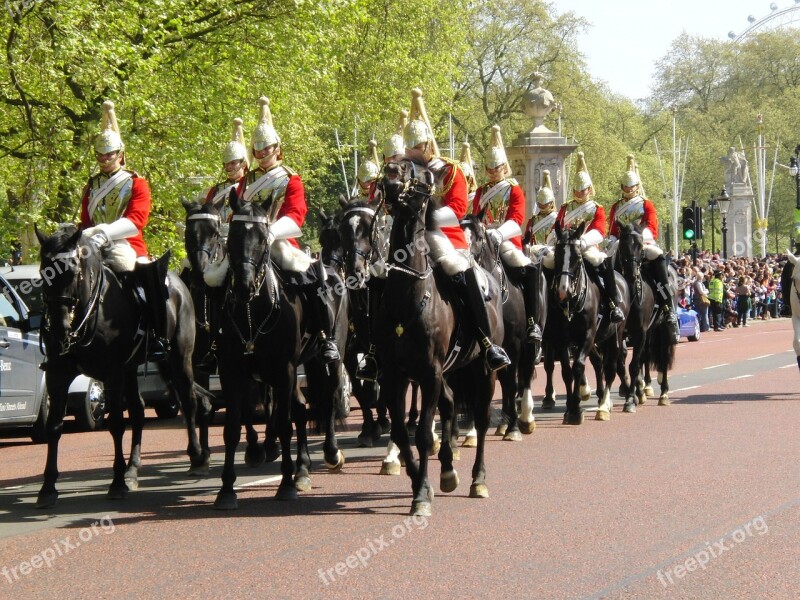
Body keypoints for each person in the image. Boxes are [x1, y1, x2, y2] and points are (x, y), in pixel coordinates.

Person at [403, 88, 509, 371]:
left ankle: (487, 343)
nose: (412, 153)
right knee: (376, 274)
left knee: (465, 272)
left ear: (427, 145)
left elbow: (459, 208)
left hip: (441, 236)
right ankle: (375, 348)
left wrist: (429, 220)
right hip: (406, 238)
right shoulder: (401, 172)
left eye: (417, 147)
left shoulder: (450, 171)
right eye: (408, 148)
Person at [235, 97, 339, 363]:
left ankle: (325, 336)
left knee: (314, 276)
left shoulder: (290, 178)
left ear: (277, 148)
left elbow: (296, 215)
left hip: (279, 241)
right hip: (247, 244)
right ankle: (213, 338)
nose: (261, 153)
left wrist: (270, 232)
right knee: (215, 277)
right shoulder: (246, 181)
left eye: (266, 147)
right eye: (257, 148)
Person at [80, 100, 169, 361]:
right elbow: (85, 220)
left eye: (110, 154)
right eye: (100, 155)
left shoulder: (136, 183)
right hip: (92, 243)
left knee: (147, 279)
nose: (105, 159)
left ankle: (156, 335)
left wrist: (105, 232)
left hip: (127, 245)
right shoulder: (92, 184)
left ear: (120, 153)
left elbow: (137, 220)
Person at [472, 125, 543, 343]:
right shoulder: (481, 192)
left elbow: (517, 219)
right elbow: (475, 217)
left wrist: (499, 234)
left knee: (528, 270)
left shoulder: (514, 190)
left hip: (505, 240)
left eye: (497, 167)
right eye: (490, 168)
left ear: (505, 167)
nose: (493, 171)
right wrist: (481, 232)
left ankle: (532, 323)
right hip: (483, 240)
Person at [607, 154, 680, 343]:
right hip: (623, 244)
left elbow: (653, 229)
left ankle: (667, 307)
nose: (628, 189)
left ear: (636, 186)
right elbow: (613, 230)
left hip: (643, 243)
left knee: (658, 258)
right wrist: (612, 240)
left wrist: (638, 237)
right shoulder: (616, 207)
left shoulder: (646, 204)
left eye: (631, 186)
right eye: (626, 186)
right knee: (607, 263)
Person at [357, 110, 407, 381]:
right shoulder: (378, 185)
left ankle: (483, 339)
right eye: (389, 158)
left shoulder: (418, 177)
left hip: (415, 244)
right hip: (384, 248)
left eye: (397, 158)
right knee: (371, 286)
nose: (392, 163)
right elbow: (373, 214)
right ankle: (374, 349)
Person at [556, 151, 623, 323]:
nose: (579, 193)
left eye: (583, 190)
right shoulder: (565, 208)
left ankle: (612, 303)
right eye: (577, 190)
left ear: (589, 189)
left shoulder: (596, 208)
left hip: (588, 247)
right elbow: (556, 227)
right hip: (567, 247)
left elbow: (600, 230)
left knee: (603, 264)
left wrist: (583, 241)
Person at [203, 117, 249, 221]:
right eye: (226, 164)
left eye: (233, 163)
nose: (229, 167)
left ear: (243, 164)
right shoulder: (216, 190)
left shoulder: (251, 186)